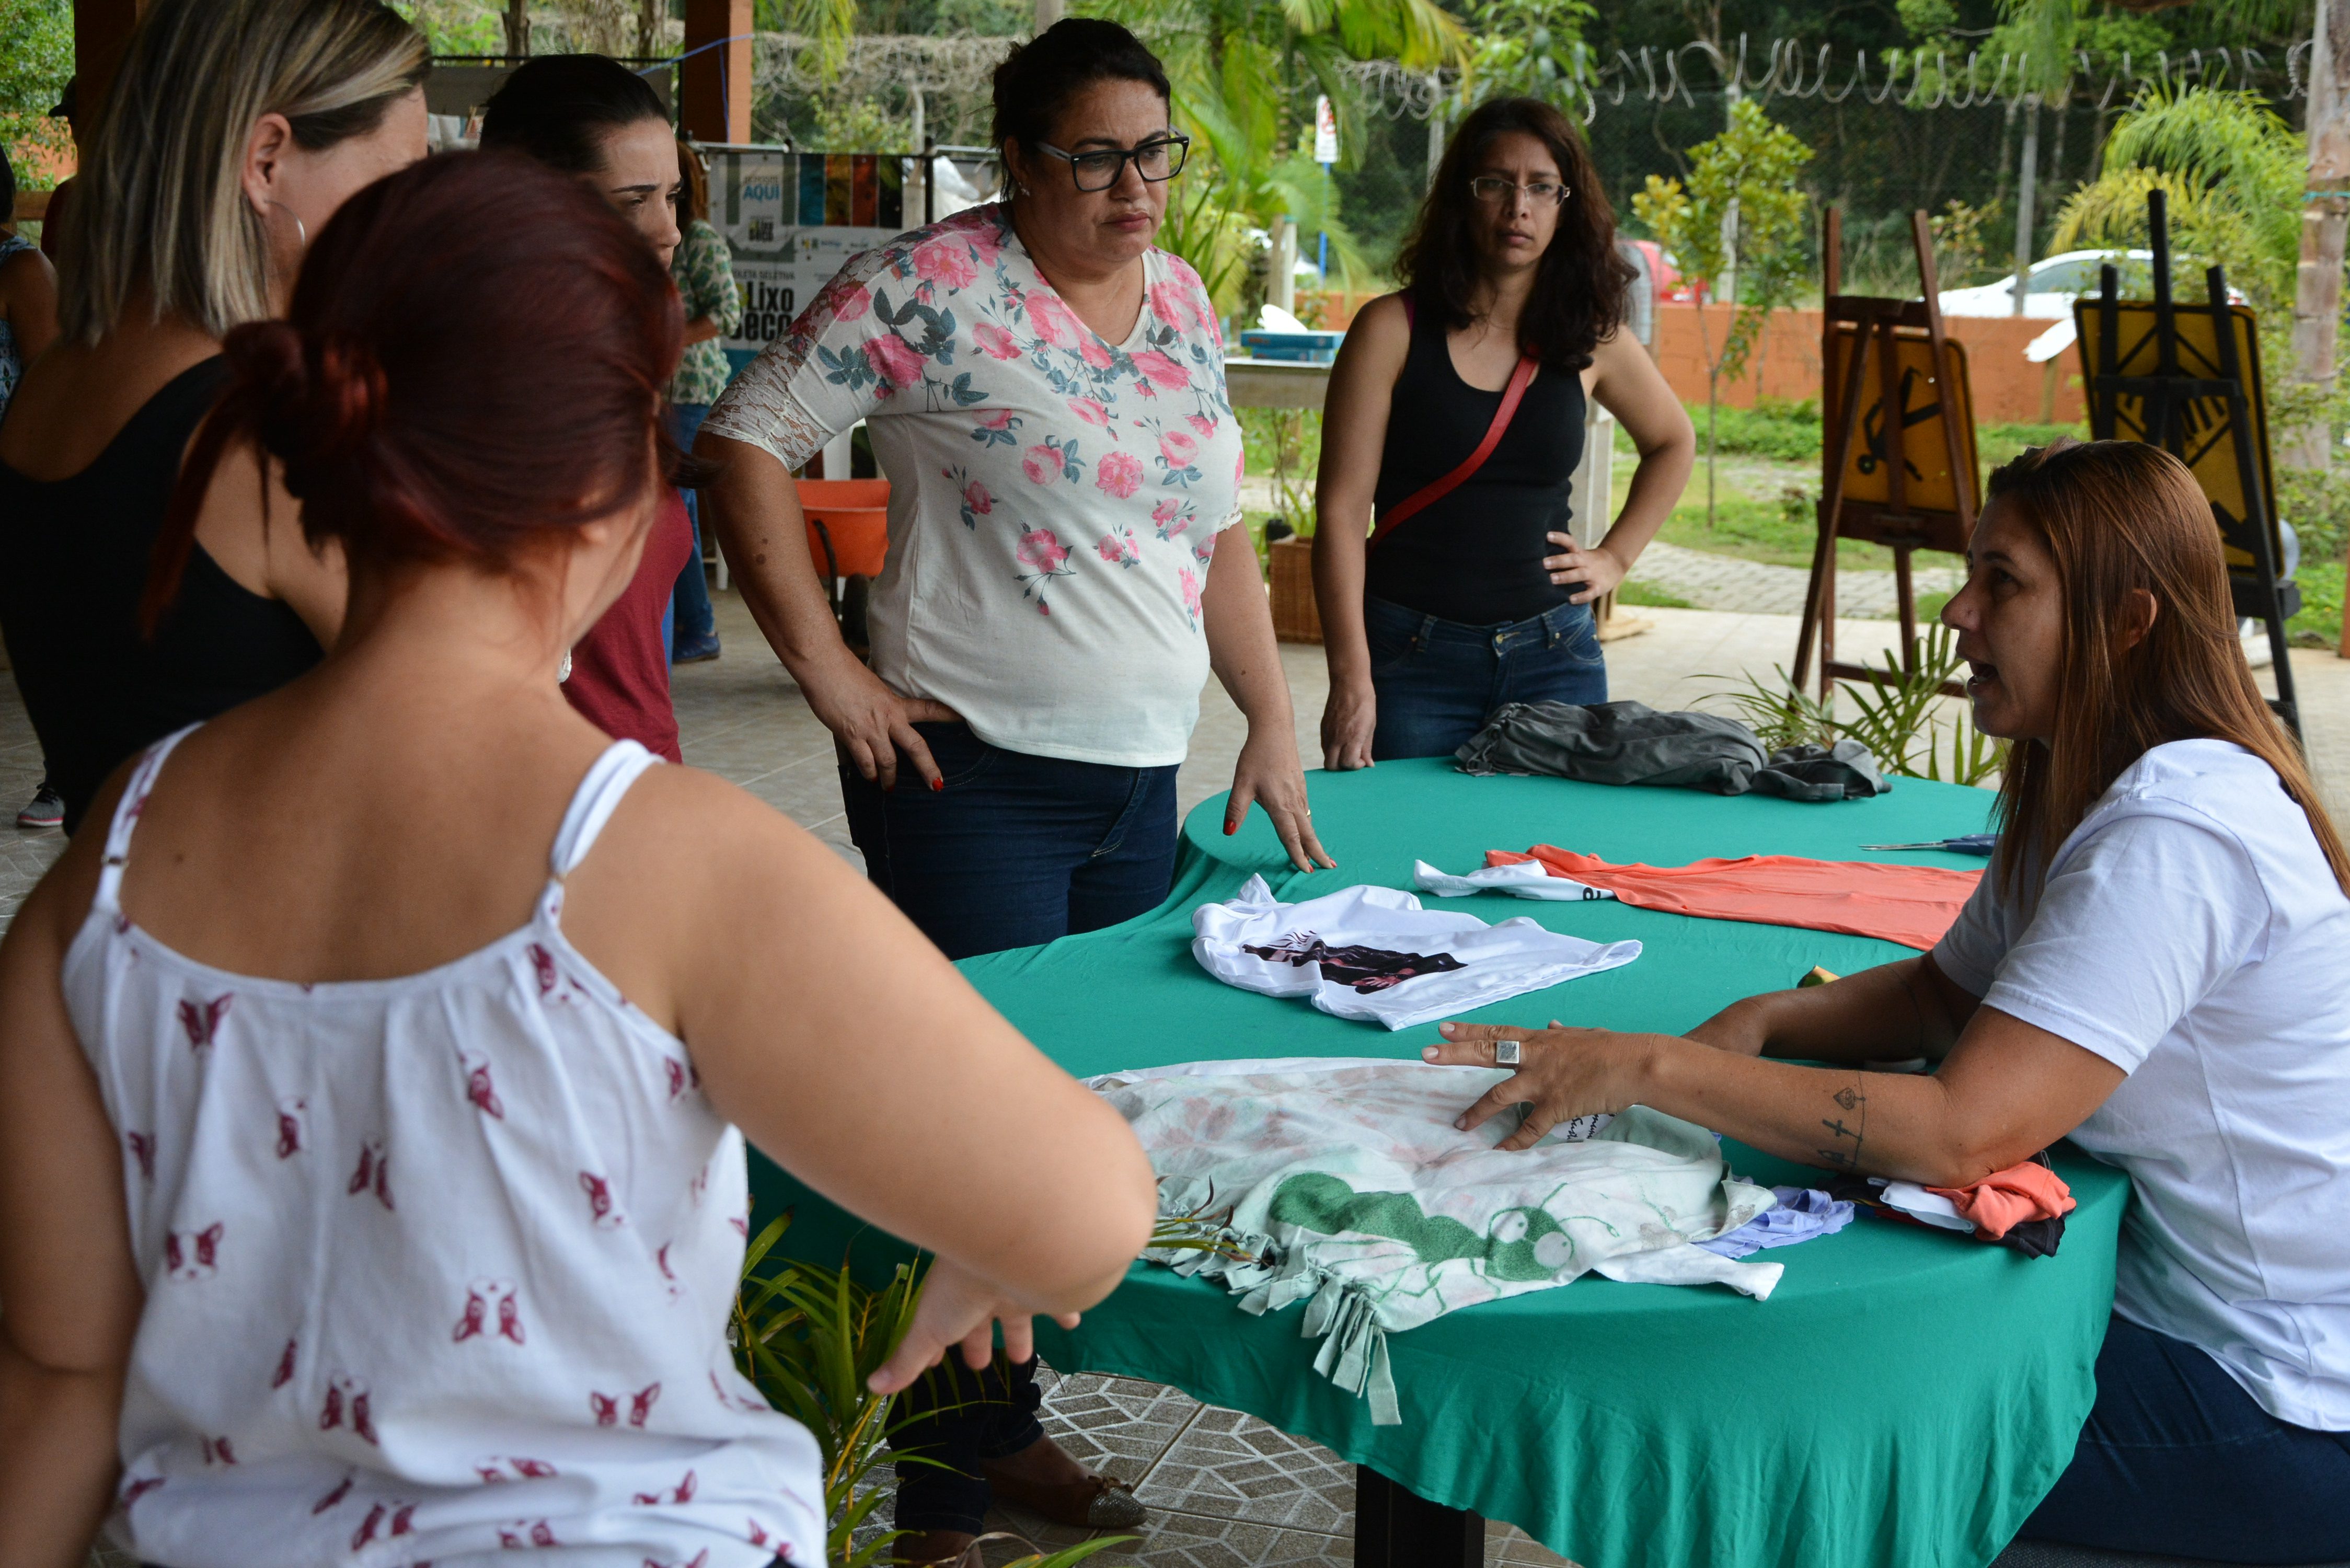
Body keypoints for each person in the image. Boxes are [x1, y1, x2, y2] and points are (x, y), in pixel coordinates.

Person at [0, 149, 1157, 1568]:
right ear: (623, 499)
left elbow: (53, 1374)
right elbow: (1090, 1206)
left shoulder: (114, 851)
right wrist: (1000, 1251)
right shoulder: (661, 859)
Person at [1422, 439, 2350, 1565]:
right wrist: (1760, 1026)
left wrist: (1650, 1067)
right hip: (2192, 1326)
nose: (1958, 612)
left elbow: (1963, 1131)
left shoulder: (2174, 834)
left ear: (2126, 624)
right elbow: (1936, 993)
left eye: (2002, 583)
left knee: (1809, 1419)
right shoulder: (2085, 779)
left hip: (2277, 1398)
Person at [696, 18, 1329, 1560]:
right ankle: (938, 1503)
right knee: (960, 1134)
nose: (1135, 186)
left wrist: (1269, 713)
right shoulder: (930, 289)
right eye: (1097, 156)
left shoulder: (1178, 299)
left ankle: (1007, 1424)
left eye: (1153, 152)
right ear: (1021, 160)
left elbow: (1217, 532)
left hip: (1129, 788)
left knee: (1073, 1112)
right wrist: (828, 676)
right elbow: (745, 441)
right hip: (964, 780)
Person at [0, 0, 428, 835]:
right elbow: (463, 727)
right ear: (265, 160)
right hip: (271, 944)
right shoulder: (261, 427)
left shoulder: (58, 382)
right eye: (391, 182)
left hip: (122, 932)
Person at [1311, 96, 1694, 767]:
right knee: (1408, 864)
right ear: (1463, 197)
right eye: (1496, 183)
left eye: (1541, 188)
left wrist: (1615, 558)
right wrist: (1351, 677)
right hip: (1411, 658)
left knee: (1546, 865)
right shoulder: (1390, 330)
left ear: (1565, 205)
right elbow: (1341, 514)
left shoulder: (1590, 336)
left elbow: (1672, 441)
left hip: (1555, 657)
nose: (1518, 207)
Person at [478, 53, 698, 762]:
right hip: (543, 808)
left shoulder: (616, 367)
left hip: (634, 788)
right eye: (632, 202)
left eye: (672, 197)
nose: (668, 231)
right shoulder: (487, 390)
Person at [0, 149, 63, 830]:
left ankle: (62, 777)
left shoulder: (22, 267)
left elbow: (49, 381)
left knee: (38, 625)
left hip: (13, 475)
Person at [667, 134, 739, 665]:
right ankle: (689, 624)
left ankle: (698, 625)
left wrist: (666, 341)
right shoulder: (655, 238)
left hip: (691, 391)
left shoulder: (698, 240)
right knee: (672, 508)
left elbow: (725, 313)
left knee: (675, 508)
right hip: (655, 391)